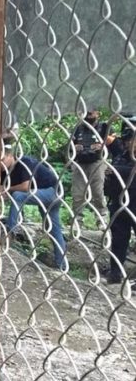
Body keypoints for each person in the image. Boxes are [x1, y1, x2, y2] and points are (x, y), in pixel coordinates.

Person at [1, 149, 68, 271]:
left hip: (52, 191)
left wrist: (6, 189)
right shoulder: (3, 171)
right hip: (42, 194)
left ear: (10, 155)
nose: (0, 164)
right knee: (54, 230)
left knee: (18, 195)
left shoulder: (24, 162)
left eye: (2, 159)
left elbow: (25, 187)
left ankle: (11, 231)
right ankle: (62, 264)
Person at [103, 116, 136, 285]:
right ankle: (116, 272)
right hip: (119, 203)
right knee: (118, 239)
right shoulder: (121, 154)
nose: (130, 143)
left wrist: (116, 171)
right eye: (129, 139)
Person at [70, 109, 114, 228]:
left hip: (97, 161)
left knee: (97, 191)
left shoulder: (104, 127)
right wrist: (74, 147)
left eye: (92, 110)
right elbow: (69, 146)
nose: (89, 112)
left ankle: (102, 219)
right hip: (80, 162)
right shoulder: (77, 128)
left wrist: (102, 145)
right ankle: (77, 220)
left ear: (98, 113)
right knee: (78, 192)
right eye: (87, 110)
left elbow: (114, 143)